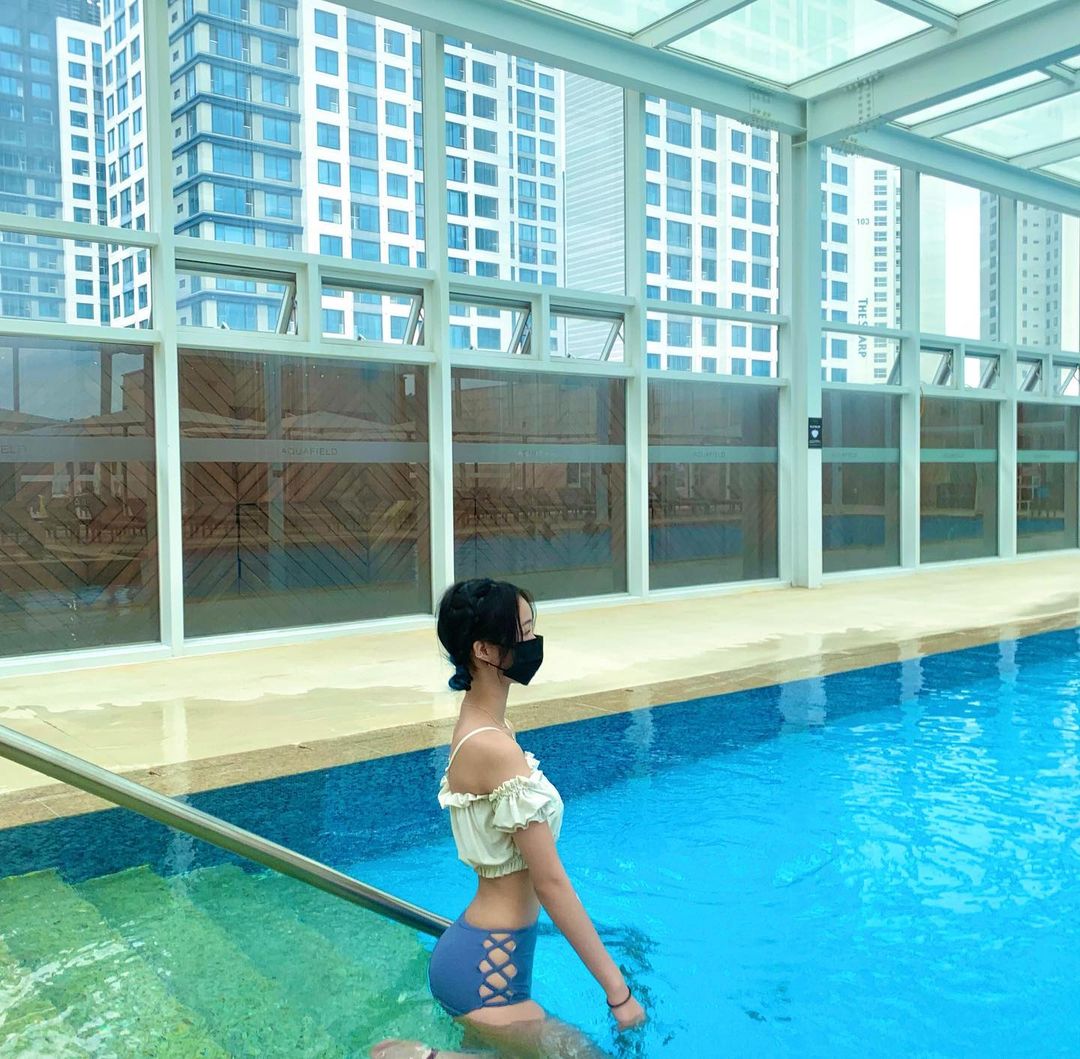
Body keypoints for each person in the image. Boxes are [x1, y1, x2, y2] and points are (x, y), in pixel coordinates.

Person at [373, 578, 646, 1059]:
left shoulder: (485, 727)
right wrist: (618, 994)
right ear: (483, 650)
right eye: (523, 632)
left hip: (483, 955)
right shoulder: (493, 748)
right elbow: (551, 884)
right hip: (488, 975)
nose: (532, 642)